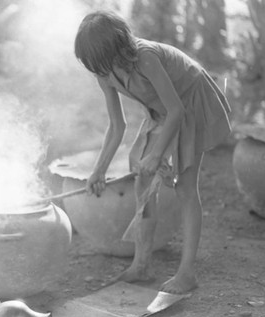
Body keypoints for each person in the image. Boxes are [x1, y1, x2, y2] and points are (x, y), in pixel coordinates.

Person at [74, 10, 232, 295]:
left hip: (189, 101)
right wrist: (98, 170)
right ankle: (142, 264)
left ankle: (186, 274)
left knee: (185, 187)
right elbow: (116, 125)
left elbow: (177, 111)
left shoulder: (145, 57)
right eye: (94, 65)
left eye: (101, 61)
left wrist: (157, 155)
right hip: (162, 109)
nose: (98, 70)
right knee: (143, 182)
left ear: (119, 48)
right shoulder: (104, 73)